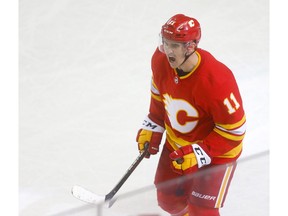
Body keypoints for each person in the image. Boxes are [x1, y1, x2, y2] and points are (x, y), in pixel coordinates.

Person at [136, 14, 246, 216]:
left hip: (216, 156)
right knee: (169, 200)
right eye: (165, 43)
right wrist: (154, 123)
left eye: (174, 46)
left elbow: (235, 131)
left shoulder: (216, 80)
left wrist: (199, 151)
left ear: (190, 46)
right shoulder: (160, 60)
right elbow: (160, 95)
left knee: (201, 211)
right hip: (177, 146)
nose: (168, 51)